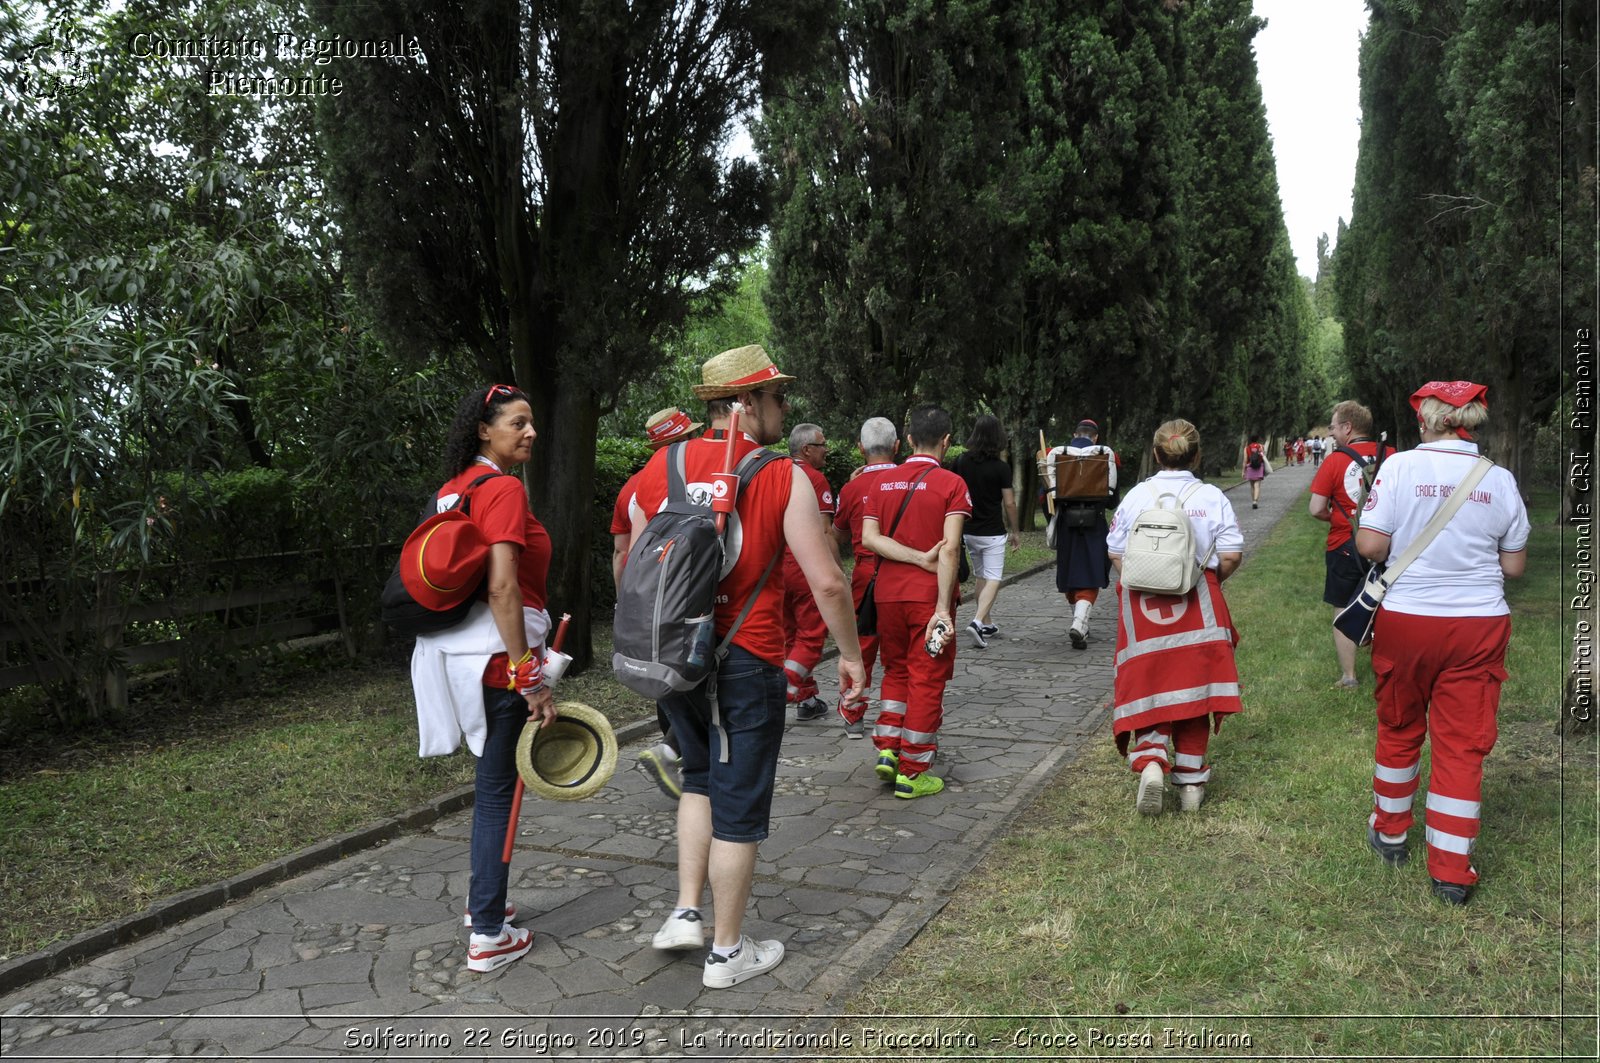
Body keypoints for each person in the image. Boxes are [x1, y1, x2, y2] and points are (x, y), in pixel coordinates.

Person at [630, 345, 867, 989]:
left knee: (698, 777)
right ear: (744, 404)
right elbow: (828, 583)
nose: (784, 409)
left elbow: (631, 569)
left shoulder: (659, 465)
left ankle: (686, 913)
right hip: (747, 657)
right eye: (777, 397)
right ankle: (728, 952)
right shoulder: (779, 474)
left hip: (676, 659)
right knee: (739, 804)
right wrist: (848, 655)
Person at [1354, 381, 1529, 906]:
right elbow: (1514, 565)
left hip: (1407, 619)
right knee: (1461, 744)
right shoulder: (1498, 479)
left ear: (1427, 420)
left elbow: (1371, 544)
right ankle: (1451, 869)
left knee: (1400, 723)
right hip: (1478, 625)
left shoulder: (1400, 467)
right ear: (1471, 422)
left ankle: (1389, 833)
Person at [412, 383, 557, 973]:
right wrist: (531, 675)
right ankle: (490, 935)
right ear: (483, 429)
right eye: (518, 423)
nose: (530, 432)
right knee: (499, 792)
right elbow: (502, 587)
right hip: (497, 664)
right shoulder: (500, 489)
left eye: (531, 422)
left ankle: (482, 907)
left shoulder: (452, 491)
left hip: (453, 658)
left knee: (489, 787)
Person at [1106, 419, 1244, 816]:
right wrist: (1206, 581)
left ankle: (1150, 757)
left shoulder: (1137, 495)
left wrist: (1143, 579)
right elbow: (1231, 554)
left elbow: (1115, 550)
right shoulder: (1211, 496)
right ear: (1197, 455)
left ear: (1155, 453)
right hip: (1200, 600)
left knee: (1151, 680)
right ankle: (1190, 783)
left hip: (1142, 606)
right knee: (1195, 689)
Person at [860, 404, 971, 799]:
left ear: (907, 441)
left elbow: (870, 539)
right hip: (928, 599)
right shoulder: (951, 485)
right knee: (927, 678)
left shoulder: (880, 484)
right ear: (946, 441)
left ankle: (889, 749)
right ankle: (913, 770)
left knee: (896, 671)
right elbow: (951, 549)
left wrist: (908, 556)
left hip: (887, 595)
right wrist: (943, 607)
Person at [610, 407, 703, 799]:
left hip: (641, 598)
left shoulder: (633, 484)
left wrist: (625, 604)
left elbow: (620, 552)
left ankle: (676, 751)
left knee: (661, 677)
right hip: (679, 596)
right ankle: (673, 751)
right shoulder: (693, 477)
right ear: (681, 441)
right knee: (686, 676)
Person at [1310, 401, 1397, 689]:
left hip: (1344, 544)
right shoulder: (1393, 456)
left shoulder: (1334, 461)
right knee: (1388, 606)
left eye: (1334, 427)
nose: (1332, 433)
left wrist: (1338, 517)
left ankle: (1349, 676)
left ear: (1347, 427)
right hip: (1389, 544)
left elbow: (1315, 508)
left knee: (1342, 604)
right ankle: (1388, 668)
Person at [832, 416, 901, 738]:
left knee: (862, 645)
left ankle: (853, 712)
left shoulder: (851, 488)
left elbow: (838, 535)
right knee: (900, 649)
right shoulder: (909, 481)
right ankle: (896, 717)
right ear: (897, 446)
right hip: (903, 573)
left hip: (865, 574)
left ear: (860, 448)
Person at [1041, 419, 1119, 649]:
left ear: (1075, 434)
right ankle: (1080, 622)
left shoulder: (1058, 455)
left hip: (1066, 523)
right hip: (1095, 523)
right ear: (1095, 438)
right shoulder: (1103, 456)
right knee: (1092, 571)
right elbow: (1112, 499)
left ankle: (1080, 623)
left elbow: (1046, 497)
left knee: (1070, 574)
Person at [781, 423, 837, 721]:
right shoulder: (814, 479)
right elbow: (826, 532)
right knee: (813, 636)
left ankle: (808, 698)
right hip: (805, 567)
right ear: (807, 450)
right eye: (822, 444)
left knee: (792, 635)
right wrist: (837, 570)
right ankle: (784, 691)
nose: (826, 449)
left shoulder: (778, 472)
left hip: (777, 569)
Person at [950, 414, 1019, 649]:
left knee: (981, 575)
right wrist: (1015, 531)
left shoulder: (961, 461)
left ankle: (986, 622)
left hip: (968, 530)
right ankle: (977, 622)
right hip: (992, 532)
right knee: (994, 578)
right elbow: (1009, 503)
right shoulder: (1001, 468)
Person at [1243, 435, 1270, 510]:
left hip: (1250, 467)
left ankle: (1253, 500)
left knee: (1252, 486)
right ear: (1257, 439)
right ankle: (1255, 501)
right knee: (1257, 485)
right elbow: (1263, 456)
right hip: (1259, 467)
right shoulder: (1261, 446)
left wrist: (1243, 471)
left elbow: (1245, 460)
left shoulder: (1247, 448)